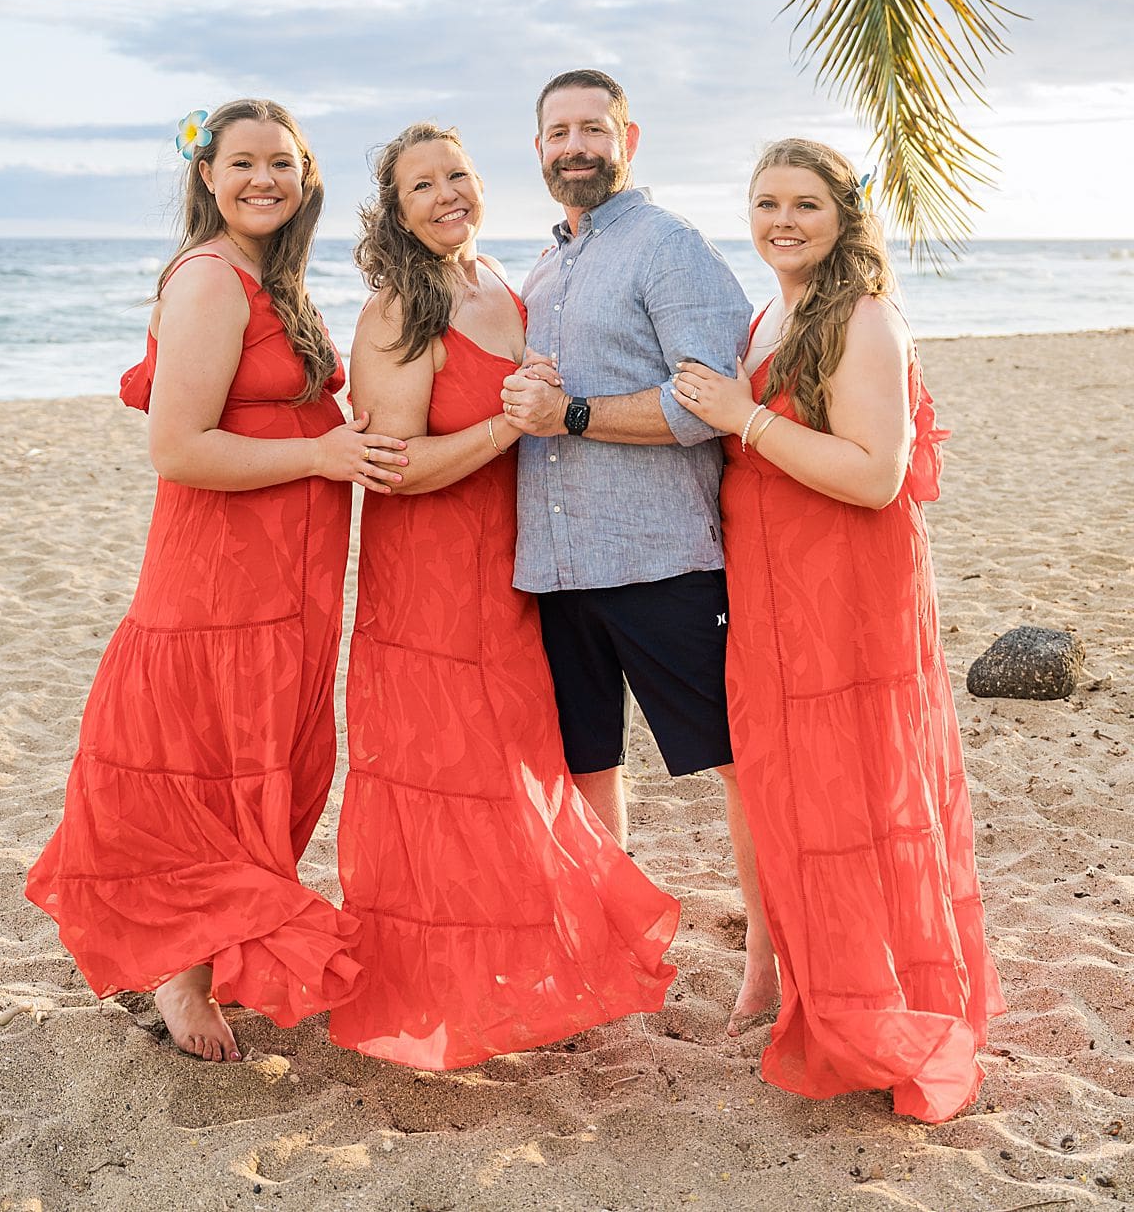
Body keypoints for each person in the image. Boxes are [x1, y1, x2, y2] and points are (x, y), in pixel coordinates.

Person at [26, 99, 408, 1063]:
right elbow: (179, 447)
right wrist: (323, 460)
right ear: (208, 176)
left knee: (262, 761)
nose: (262, 179)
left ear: (306, 177)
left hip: (286, 585)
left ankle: (207, 951)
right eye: (242, 163)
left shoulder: (273, 279)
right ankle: (181, 975)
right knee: (204, 762)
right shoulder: (210, 281)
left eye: (281, 162)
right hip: (219, 582)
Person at [327, 122, 679, 1070]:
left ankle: (529, 962)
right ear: (394, 213)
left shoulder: (501, 287)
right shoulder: (402, 308)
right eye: (421, 187)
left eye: (459, 177)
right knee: (438, 769)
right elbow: (391, 469)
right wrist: (509, 425)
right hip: (430, 579)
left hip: (517, 570)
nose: (447, 196)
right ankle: (431, 986)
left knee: (517, 761)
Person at [671, 137, 1005, 1122]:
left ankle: (879, 1003)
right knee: (798, 790)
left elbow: (875, 473)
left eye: (805, 203)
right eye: (766, 199)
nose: (782, 219)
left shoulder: (863, 317)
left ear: (845, 215)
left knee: (855, 788)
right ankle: (824, 982)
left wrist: (745, 416)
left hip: (847, 589)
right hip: (775, 588)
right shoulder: (771, 308)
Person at [499, 69, 778, 1025]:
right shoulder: (541, 270)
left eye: (592, 128)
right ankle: (606, 959)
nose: (574, 145)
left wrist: (571, 414)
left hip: (660, 558)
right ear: (536, 148)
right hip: (559, 569)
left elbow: (705, 403)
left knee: (740, 767)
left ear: (629, 136)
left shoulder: (669, 247)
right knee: (587, 771)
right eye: (556, 132)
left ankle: (768, 968)